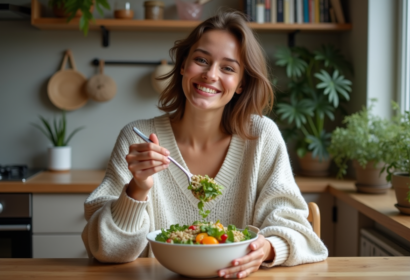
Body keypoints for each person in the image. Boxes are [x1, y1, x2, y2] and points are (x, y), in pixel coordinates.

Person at [82, 10, 328, 279]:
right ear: (183, 65)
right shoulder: (136, 137)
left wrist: (268, 248)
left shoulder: (262, 137)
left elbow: (295, 227)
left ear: (241, 84)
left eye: (228, 68)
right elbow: (106, 250)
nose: (210, 75)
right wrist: (137, 189)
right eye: (201, 60)